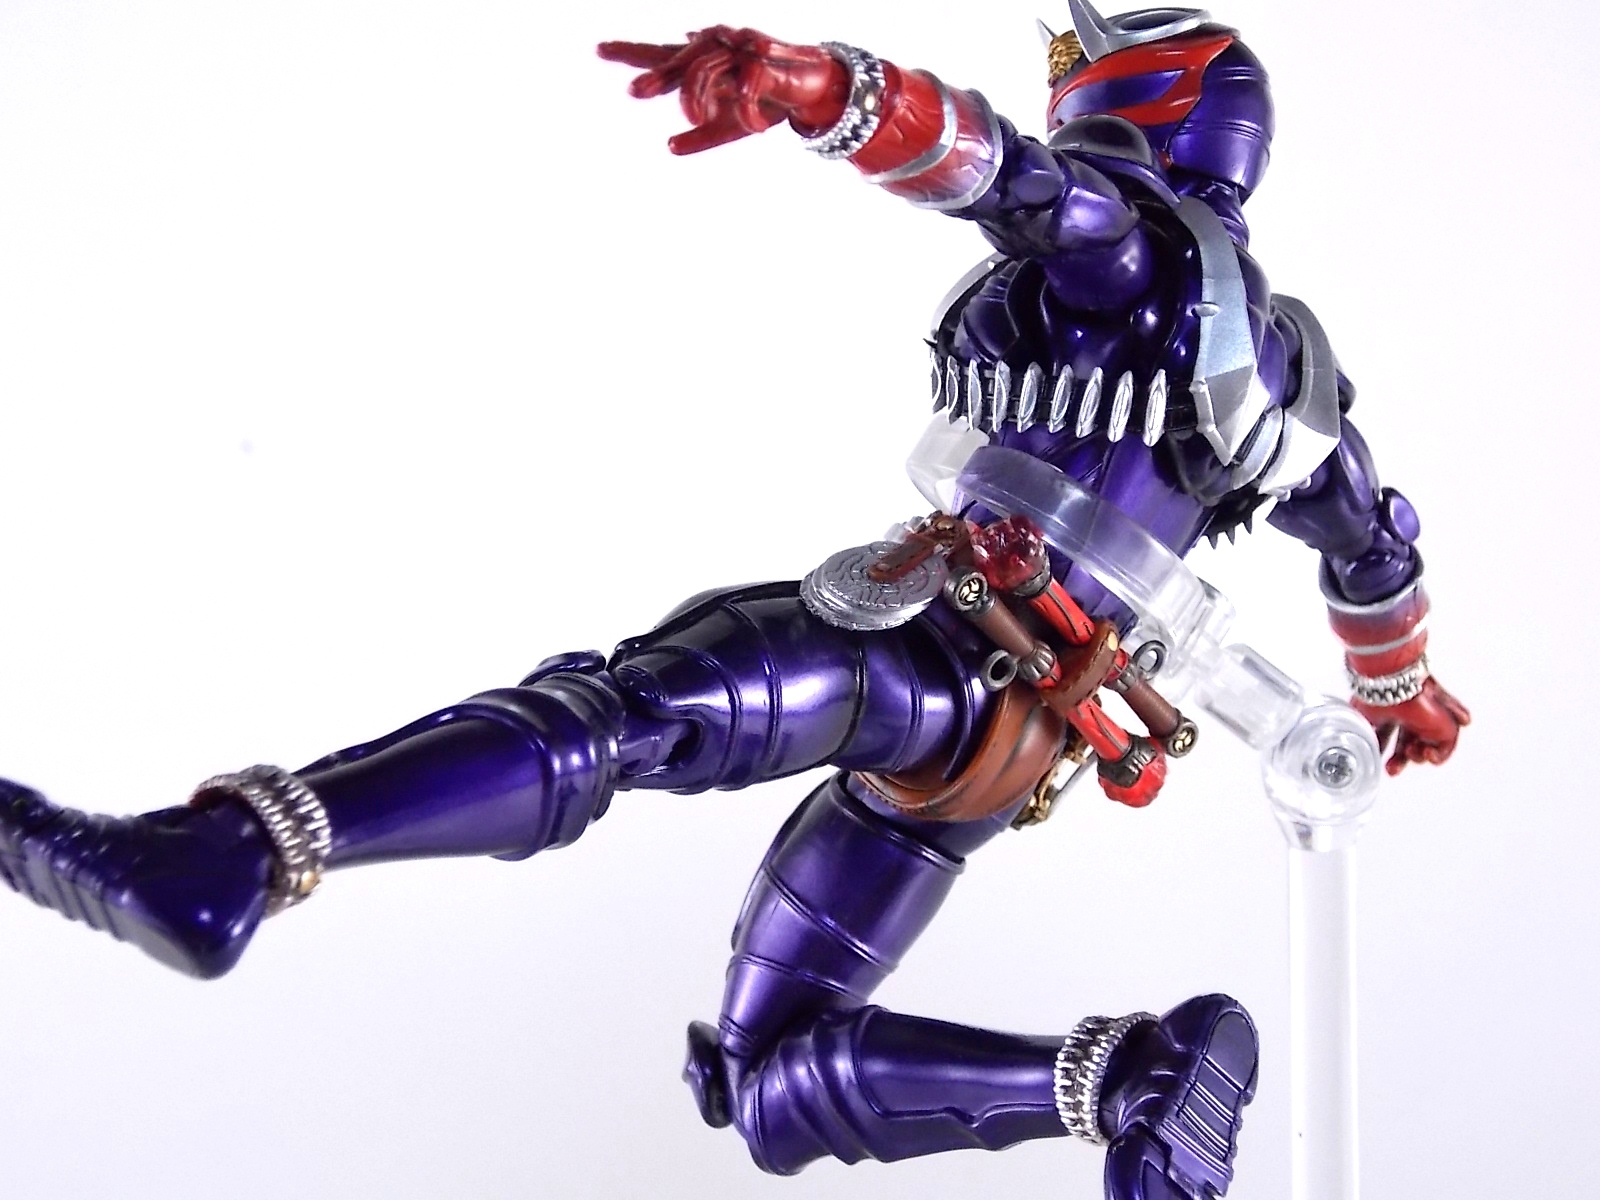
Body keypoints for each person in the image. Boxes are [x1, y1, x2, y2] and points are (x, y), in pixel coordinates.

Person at [0, 7, 1467, 1199]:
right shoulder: (1294, 392)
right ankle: (1133, 1083)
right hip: (1019, 743)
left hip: (937, 652)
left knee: (620, 714)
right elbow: (1373, 550)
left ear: (1149, 106)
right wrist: (1398, 692)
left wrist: (827, 91)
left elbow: (1013, 181)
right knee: (769, 1083)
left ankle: (232, 856)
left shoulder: (1131, 255)